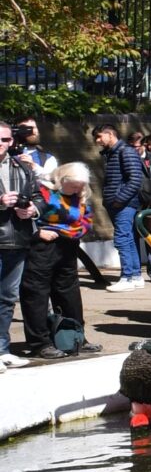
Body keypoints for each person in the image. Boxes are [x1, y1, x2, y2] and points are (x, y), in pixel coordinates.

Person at [21, 162, 96, 358]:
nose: (77, 189)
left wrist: (74, 232)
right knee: (37, 294)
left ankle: (75, 336)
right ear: (61, 180)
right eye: (73, 185)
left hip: (68, 246)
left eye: (80, 186)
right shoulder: (44, 192)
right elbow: (27, 216)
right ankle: (40, 342)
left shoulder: (80, 196)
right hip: (43, 247)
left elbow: (87, 220)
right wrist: (38, 232)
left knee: (69, 293)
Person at [92, 125, 151, 290]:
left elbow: (135, 179)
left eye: (99, 137)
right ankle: (135, 276)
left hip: (124, 204)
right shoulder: (114, 153)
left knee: (122, 239)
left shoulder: (125, 151)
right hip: (118, 203)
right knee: (129, 238)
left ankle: (126, 278)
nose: (97, 141)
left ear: (110, 134)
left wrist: (119, 199)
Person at [0, 124, 36, 363]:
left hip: (17, 240)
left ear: (11, 141)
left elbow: (39, 196)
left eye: (4, 139)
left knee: (7, 298)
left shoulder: (22, 167)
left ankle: (2, 349)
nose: (0, 144)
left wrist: (33, 209)